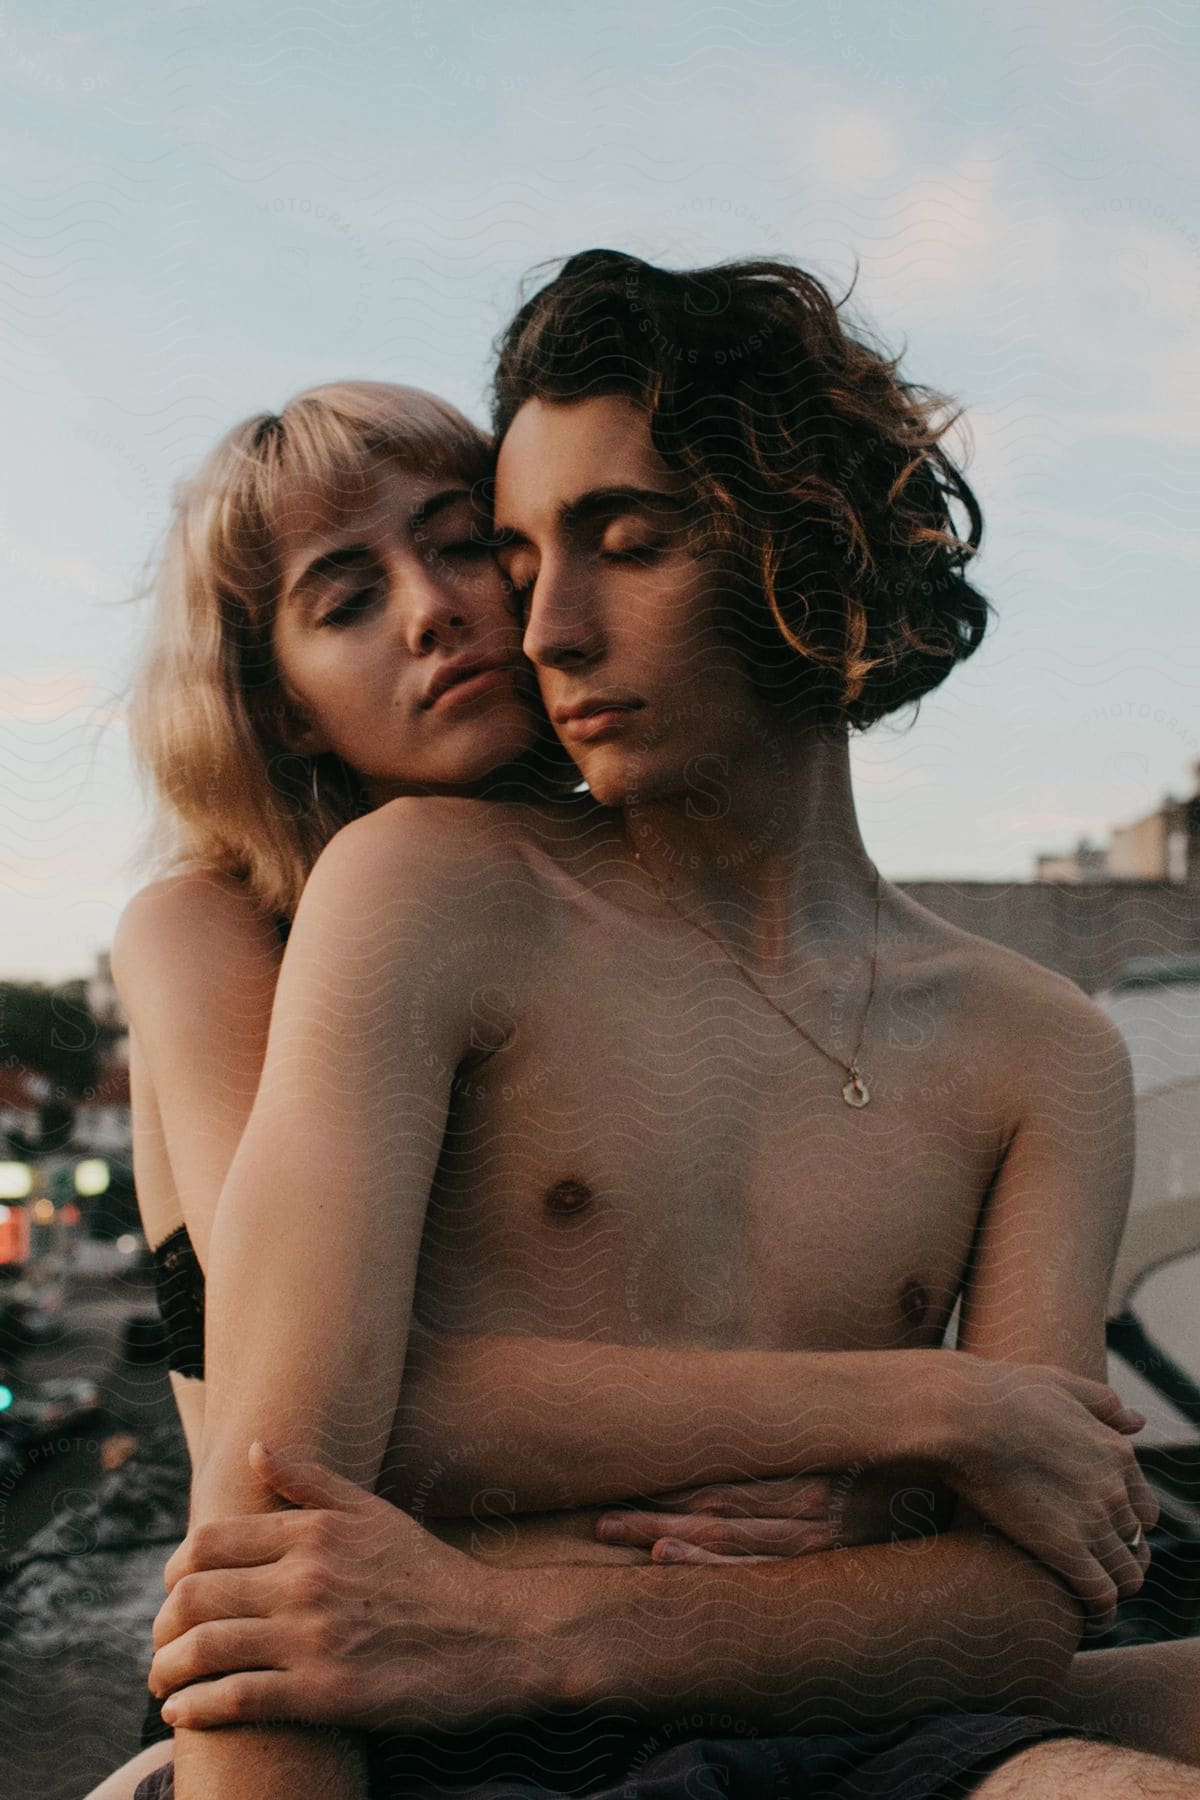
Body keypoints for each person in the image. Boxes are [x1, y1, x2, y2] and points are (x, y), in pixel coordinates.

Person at [137, 255, 1195, 1798]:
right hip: (465, 1737)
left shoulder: (1044, 1048)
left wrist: (537, 1616)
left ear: (805, 553)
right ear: (278, 697)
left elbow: (1017, 1608)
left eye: (618, 545)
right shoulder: (360, 902)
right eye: (351, 597)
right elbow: (279, 1471)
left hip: (854, 1726)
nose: (516, 625)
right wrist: (937, 1414)